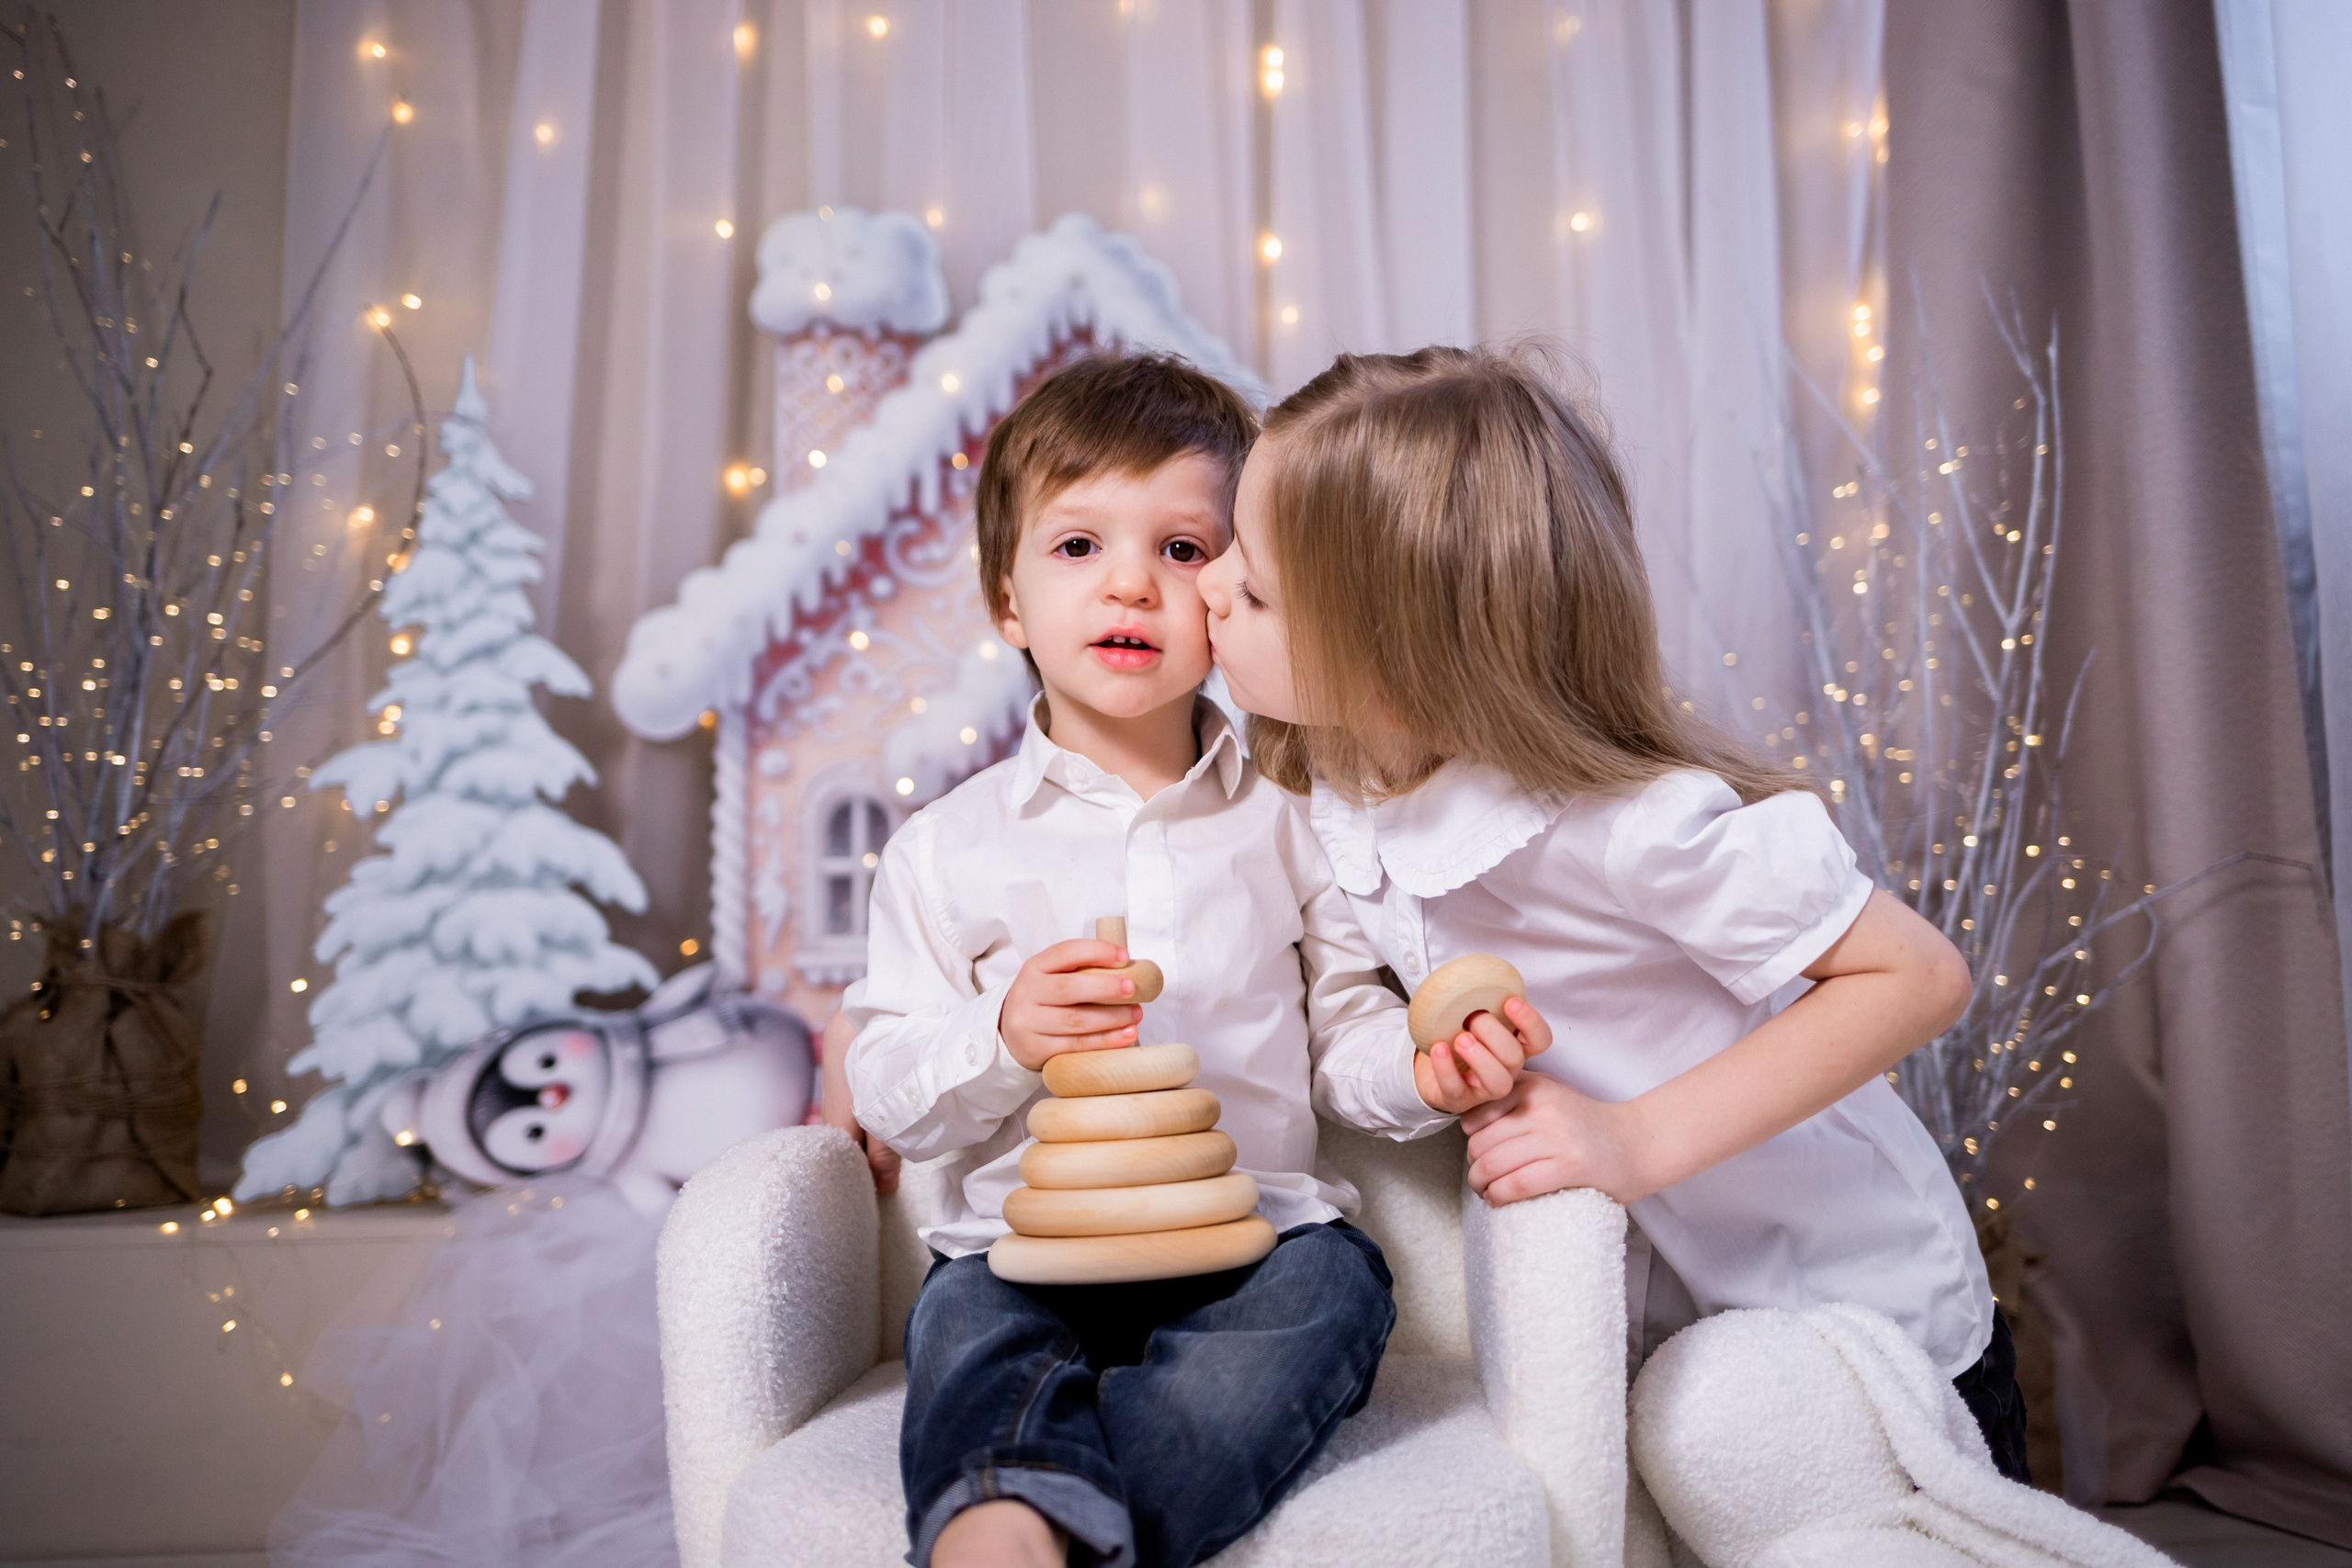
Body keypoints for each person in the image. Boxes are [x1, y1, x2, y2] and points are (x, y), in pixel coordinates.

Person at [1195, 344, 2028, 1483]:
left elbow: (1917, 977)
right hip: (1678, 1337)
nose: (1205, 589)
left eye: (1250, 588)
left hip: (1862, 1307)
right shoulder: (1340, 789)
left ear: (1389, 663)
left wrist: (1632, 1140)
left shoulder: (1630, 825)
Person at [842, 353, 1547, 1568]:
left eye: (1181, 548)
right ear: (1007, 603)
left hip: (1255, 1235)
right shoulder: (941, 849)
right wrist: (1003, 1035)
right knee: (967, 1328)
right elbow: (890, 1084)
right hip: (1024, 1247)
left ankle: (1043, 1519)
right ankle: (1002, 1509)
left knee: (1337, 1290)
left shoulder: (1295, 814)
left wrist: (1425, 1069)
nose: (1132, 581)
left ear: (1234, 592)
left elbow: (1347, 1040)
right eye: (1078, 547)